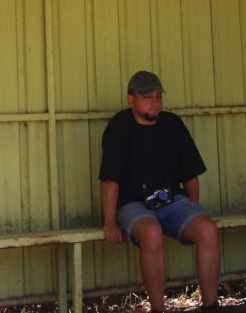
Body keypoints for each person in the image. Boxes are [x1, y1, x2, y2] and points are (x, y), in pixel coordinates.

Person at [99, 70, 221, 313]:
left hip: (172, 199)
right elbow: (110, 180)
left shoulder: (172, 124)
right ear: (131, 99)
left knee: (208, 229)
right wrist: (110, 222)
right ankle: (158, 309)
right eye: (147, 97)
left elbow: (191, 174)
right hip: (133, 203)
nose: (155, 102)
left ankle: (211, 306)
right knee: (152, 232)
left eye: (158, 96)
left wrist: (192, 211)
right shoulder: (119, 127)